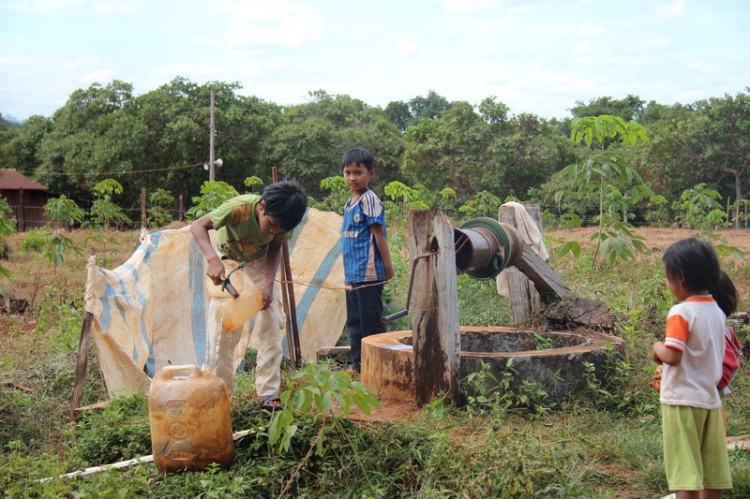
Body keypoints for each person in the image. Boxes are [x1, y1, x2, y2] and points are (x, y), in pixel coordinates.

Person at [190, 179, 307, 410]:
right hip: (229, 261)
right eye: (271, 224)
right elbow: (198, 226)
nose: (273, 231)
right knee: (224, 329)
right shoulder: (238, 209)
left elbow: (276, 248)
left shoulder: (285, 221)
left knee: (271, 322)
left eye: (280, 229)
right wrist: (213, 260)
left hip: (260, 264)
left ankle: (268, 392)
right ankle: (221, 393)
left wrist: (268, 285)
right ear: (262, 206)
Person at [652, 238, 732, 499]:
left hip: (682, 402)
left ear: (681, 277)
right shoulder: (717, 312)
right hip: (710, 401)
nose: (667, 284)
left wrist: (656, 348)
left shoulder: (681, 312)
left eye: (668, 277)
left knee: (684, 471)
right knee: (711, 471)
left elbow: (672, 356)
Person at [340, 147, 394, 374]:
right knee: (355, 322)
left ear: (370, 174)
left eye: (358, 172)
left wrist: (388, 268)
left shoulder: (369, 200)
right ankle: (359, 364)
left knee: (371, 322)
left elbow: (378, 235)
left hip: (368, 273)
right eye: (347, 172)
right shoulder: (349, 202)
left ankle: (377, 368)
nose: (352, 177)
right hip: (352, 274)